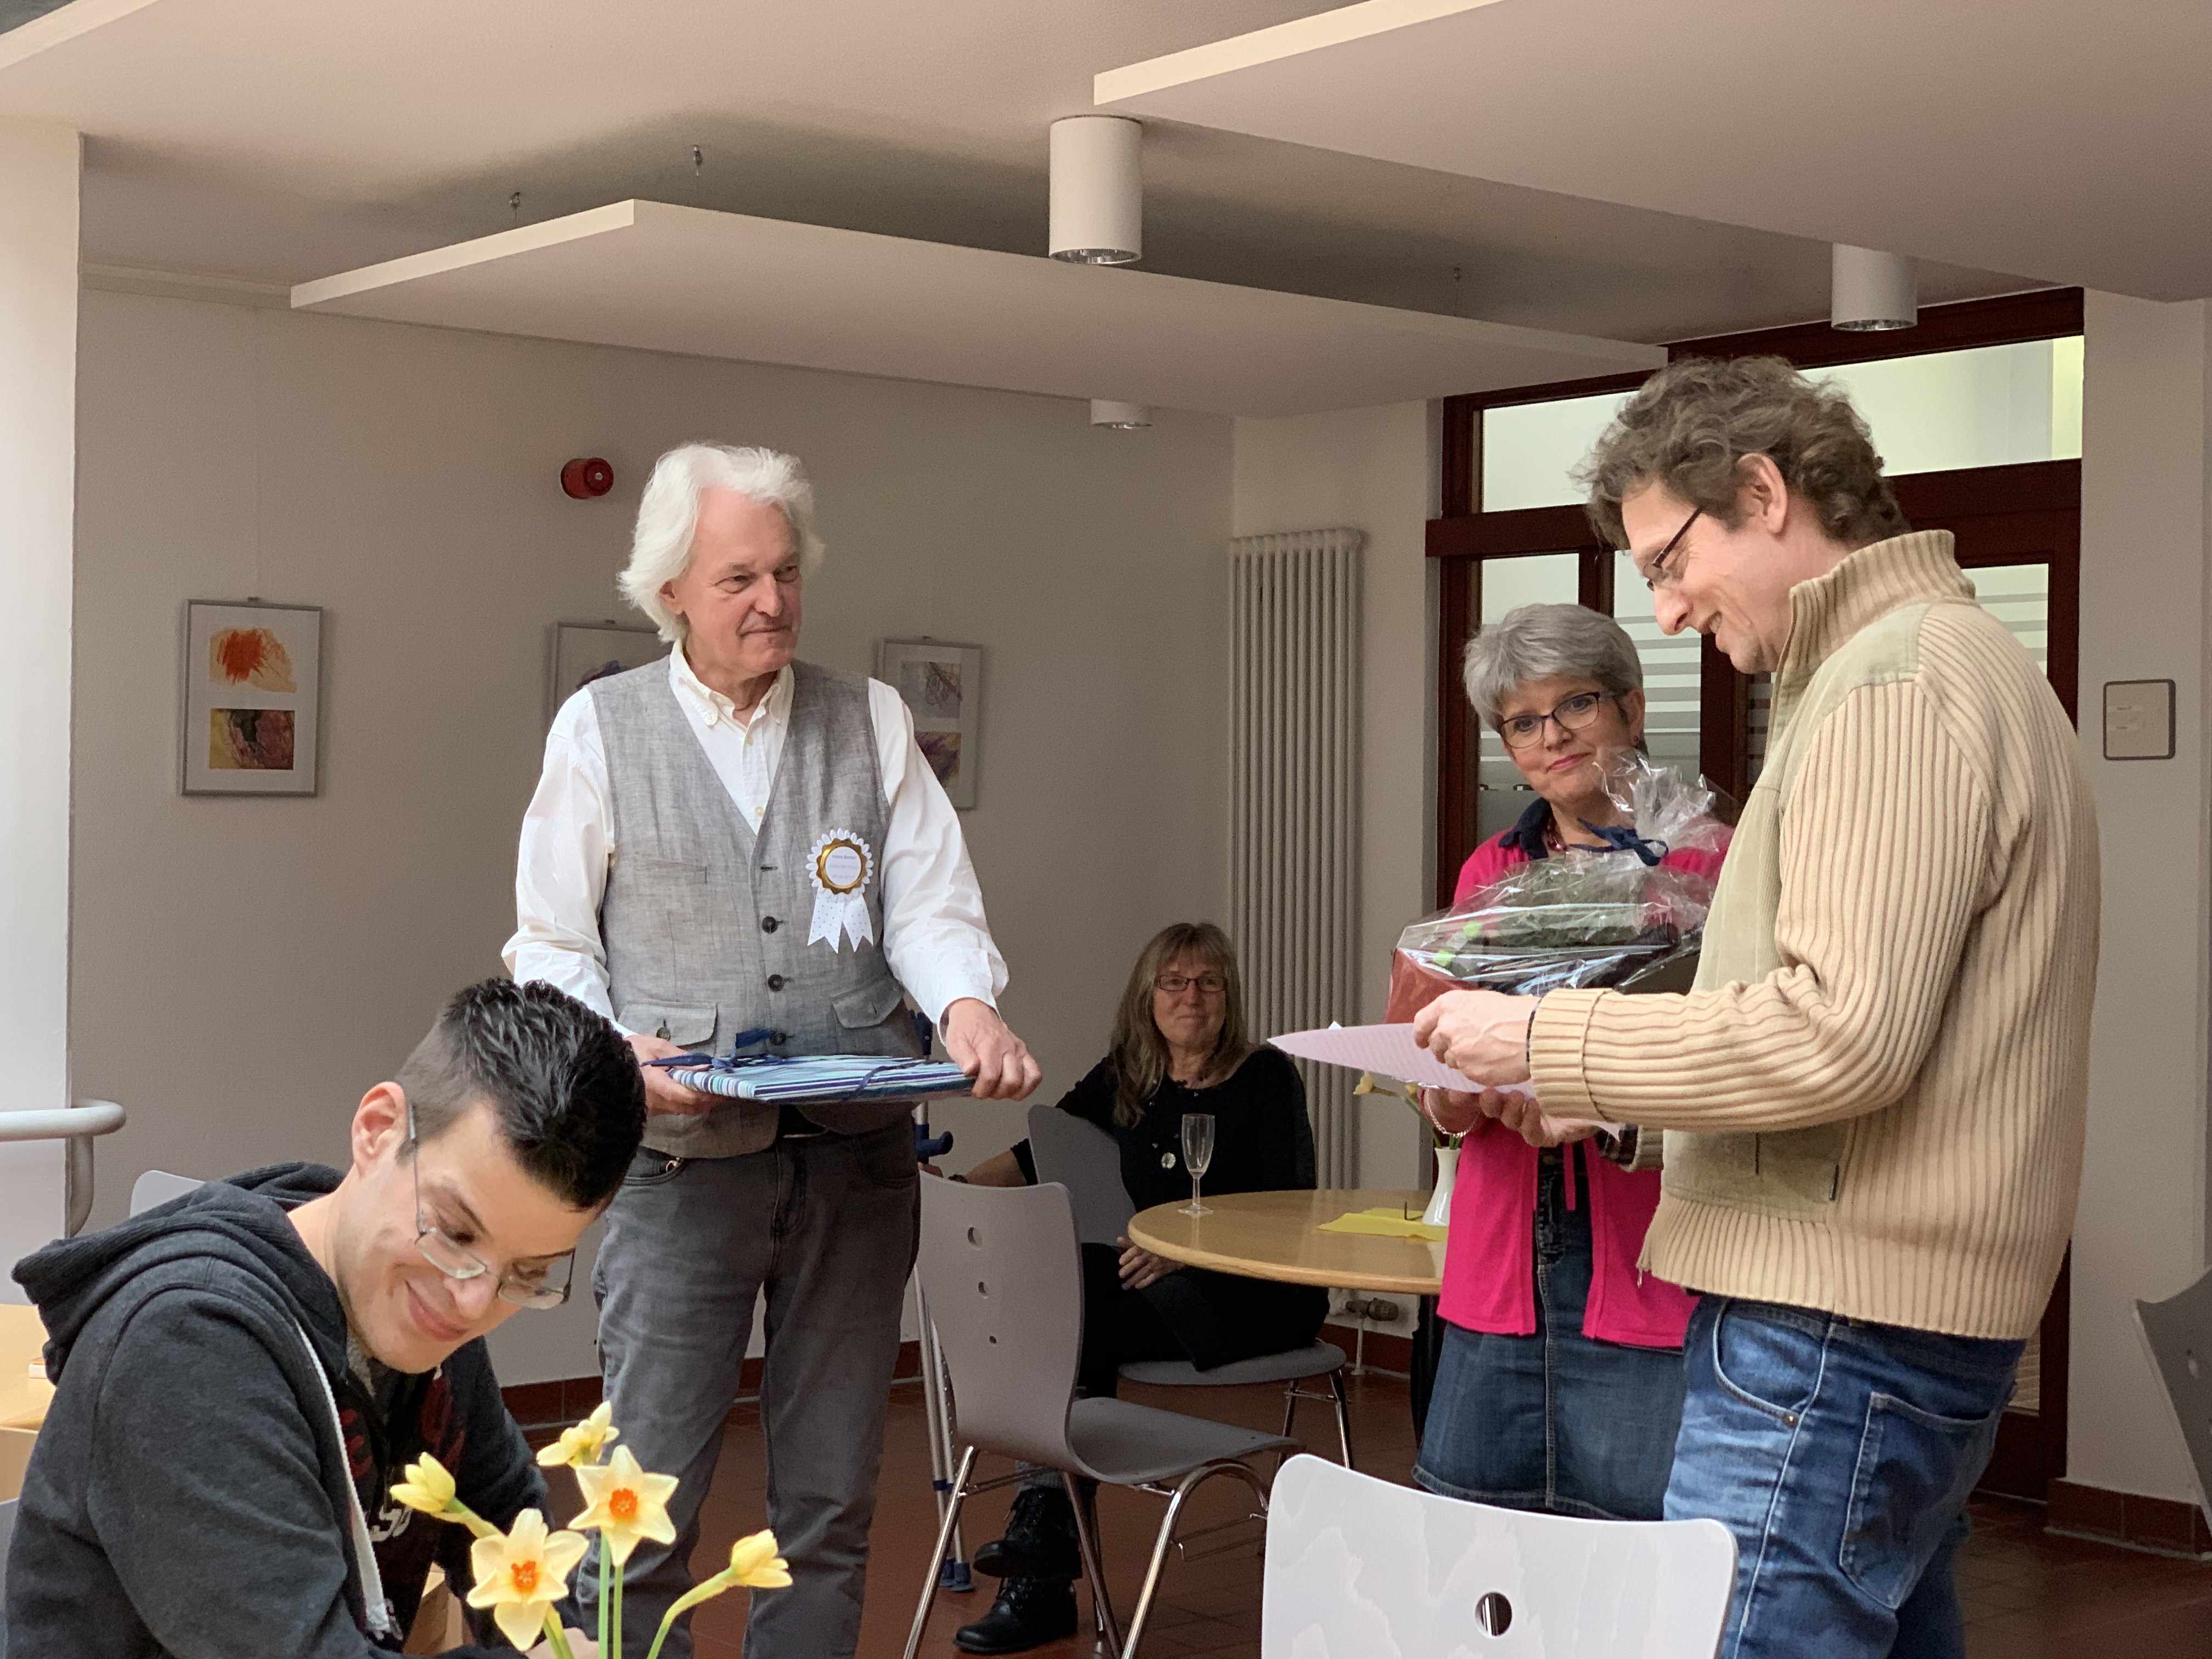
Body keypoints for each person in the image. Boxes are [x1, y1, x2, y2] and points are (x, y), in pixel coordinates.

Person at [1416, 356, 2098, 1659]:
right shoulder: (1932, 663)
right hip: (1889, 1308)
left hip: (1834, 1328)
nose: (1666, 613)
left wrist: (1550, 1042)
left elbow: (1841, 1035)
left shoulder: (1891, 689)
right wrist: (1620, 1123)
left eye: (1672, 561)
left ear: (1767, 491)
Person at [506, 442, 1041, 1659]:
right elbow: (548, 942)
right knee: (641, 1508)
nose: (773, 602)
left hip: (855, 1165)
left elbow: (932, 908)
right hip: (680, 1163)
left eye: (787, 573)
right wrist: (608, 1049)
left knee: (832, 1504)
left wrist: (967, 1008)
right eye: (740, 577)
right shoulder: (602, 726)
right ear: (672, 592)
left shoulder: (873, 717)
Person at [4, 978, 645, 1657]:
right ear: (377, 1131)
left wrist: (565, 1636)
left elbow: (508, 1522)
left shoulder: (421, 1305)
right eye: (455, 1233)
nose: (475, 1303)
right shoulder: (186, 1346)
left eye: (529, 1273)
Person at [1412, 603, 1726, 1523]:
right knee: (1477, 1550)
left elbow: (1733, 1057)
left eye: (1575, 703)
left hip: (1647, 1270)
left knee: (1640, 1564)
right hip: (1497, 1267)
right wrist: (1448, 1097)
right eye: (1521, 719)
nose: (1551, 735)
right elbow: (1435, 1055)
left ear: (1630, 707)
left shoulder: (1713, 866)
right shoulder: (1488, 872)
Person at [953, 922, 1325, 1655]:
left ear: (1229, 996)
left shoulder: (1266, 1076)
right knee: (1079, 1277)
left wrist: (1186, 1253)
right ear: (1147, 999)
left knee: (1079, 1314)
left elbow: (1290, 1207)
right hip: (1164, 1284)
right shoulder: (1133, 1074)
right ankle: (1047, 1533)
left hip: (1255, 1293)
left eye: (1209, 983)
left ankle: (1043, 1560)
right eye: (1175, 983)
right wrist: (958, 1191)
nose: (1192, 997)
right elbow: (1040, 1147)